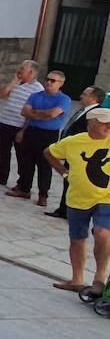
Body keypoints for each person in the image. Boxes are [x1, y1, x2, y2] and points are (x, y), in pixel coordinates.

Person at [45, 107, 110, 301]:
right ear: (91, 123)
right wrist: (64, 174)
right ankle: (77, 280)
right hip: (77, 198)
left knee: (103, 233)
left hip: (106, 197)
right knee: (77, 239)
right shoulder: (73, 142)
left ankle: (100, 277)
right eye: (104, 122)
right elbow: (49, 152)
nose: (108, 126)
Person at [10, 70, 71, 207]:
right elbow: (24, 111)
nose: (48, 82)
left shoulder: (64, 99)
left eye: (53, 80)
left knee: (45, 165)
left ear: (61, 83)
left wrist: (35, 112)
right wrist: (39, 115)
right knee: (26, 161)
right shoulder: (35, 95)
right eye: (47, 79)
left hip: (48, 134)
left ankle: (43, 194)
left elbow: (53, 114)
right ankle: (24, 188)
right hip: (32, 130)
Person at [46, 86, 106, 218]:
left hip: (79, 152)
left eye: (85, 94)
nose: (81, 96)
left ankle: (69, 210)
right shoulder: (83, 111)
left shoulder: (95, 114)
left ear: (93, 98)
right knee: (68, 180)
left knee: (72, 181)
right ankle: (64, 209)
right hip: (70, 149)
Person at [0, 60, 44, 187]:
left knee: (21, 155)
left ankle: (22, 182)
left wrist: (23, 130)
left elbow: (34, 111)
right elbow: (0, 94)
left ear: (31, 72)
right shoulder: (17, 83)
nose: (19, 70)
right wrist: (13, 82)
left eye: (22, 68)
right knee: (4, 151)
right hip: (6, 122)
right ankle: (1, 176)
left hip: (20, 125)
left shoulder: (38, 89)